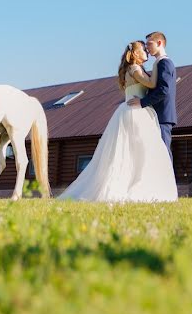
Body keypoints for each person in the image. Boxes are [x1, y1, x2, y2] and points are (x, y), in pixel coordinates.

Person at [59, 40, 178, 202]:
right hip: (136, 112)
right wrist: (158, 63)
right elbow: (151, 83)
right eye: (143, 50)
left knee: (134, 151)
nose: (147, 53)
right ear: (136, 54)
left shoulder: (132, 69)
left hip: (130, 110)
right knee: (140, 150)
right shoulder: (135, 69)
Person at [127, 31, 176, 164]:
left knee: (163, 151)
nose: (147, 48)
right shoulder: (158, 64)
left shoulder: (164, 63)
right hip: (157, 115)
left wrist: (142, 102)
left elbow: (163, 90)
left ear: (159, 43)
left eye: (149, 44)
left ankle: (167, 183)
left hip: (162, 115)